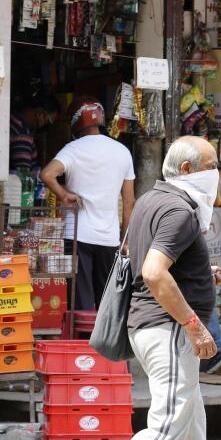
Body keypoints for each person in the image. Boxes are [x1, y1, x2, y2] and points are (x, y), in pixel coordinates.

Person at [113, 136, 221, 440]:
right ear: (187, 169)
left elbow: (148, 258)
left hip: (152, 328)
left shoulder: (150, 200)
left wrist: (201, 272)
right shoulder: (180, 210)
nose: (216, 174)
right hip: (168, 330)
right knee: (165, 430)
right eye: (211, 167)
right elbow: (152, 272)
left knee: (190, 429)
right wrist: (194, 326)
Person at [40, 98, 136, 311]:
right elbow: (129, 201)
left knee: (79, 300)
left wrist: (64, 195)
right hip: (109, 237)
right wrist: (124, 238)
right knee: (106, 303)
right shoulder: (122, 152)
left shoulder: (72, 149)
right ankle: (102, 343)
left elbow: (47, 174)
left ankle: (80, 342)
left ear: (76, 122)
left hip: (77, 235)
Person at [9, 95, 59, 171]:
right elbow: (23, 173)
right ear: (39, 114)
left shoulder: (12, 120)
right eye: (49, 121)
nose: (46, 126)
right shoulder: (23, 135)